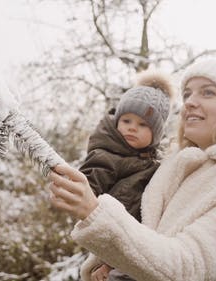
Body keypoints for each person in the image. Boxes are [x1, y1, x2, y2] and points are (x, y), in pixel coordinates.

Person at [48, 55, 216, 281]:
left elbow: (185, 267)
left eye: (208, 93)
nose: (190, 103)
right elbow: (146, 237)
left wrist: (95, 211)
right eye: (187, 94)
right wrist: (109, 264)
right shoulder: (178, 165)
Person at [78, 72, 173, 280]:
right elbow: (87, 187)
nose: (132, 127)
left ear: (156, 135)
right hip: (111, 238)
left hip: (142, 241)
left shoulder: (152, 161)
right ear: (117, 120)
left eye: (143, 125)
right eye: (127, 120)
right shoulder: (107, 153)